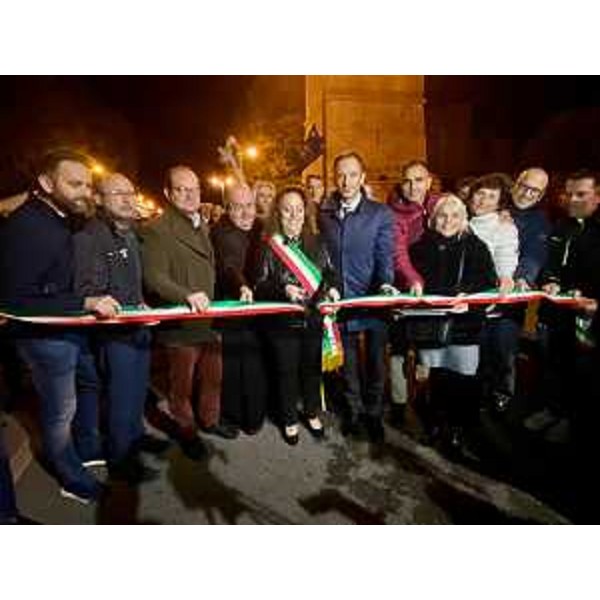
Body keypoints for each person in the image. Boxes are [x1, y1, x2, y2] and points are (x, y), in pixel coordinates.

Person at [0, 149, 119, 504]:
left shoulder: (58, 214)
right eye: (75, 184)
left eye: (88, 184)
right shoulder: (28, 226)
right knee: (59, 413)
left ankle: (87, 447)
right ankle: (71, 477)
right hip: (43, 338)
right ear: (46, 183)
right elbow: (14, 300)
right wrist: (87, 302)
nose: (85, 192)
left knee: (88, 382)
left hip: (67, 329)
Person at [73, 172, 167, 484]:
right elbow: (87, 291)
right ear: (99, 199)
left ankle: (136, 438)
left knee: (137, 392)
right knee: (121, 397)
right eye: (118, 194)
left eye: (130, 192)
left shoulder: (128, 232)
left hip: (137, 327)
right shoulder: (90, 237)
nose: (128, 199)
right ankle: (121, 459)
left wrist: (140, 303)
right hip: (114, 334)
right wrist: (118, 306)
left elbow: (132, 282)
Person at [140, 166, 231, 462]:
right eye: (182, 189)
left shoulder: (201, 224)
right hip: (181, 325)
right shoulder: (156, 229)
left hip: (209, 319)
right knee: (181, 387)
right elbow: (154, 277)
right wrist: (186, 295)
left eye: (195, 189)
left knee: (213, 378)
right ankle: (188, 432)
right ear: (168, 193)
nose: (191, 195)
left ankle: (210, 420)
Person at [409, 194, 497, 453]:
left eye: (455, 215)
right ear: (433, 219)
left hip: (465, 327)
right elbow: (411, 282)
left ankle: (458, 428)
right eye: (443, 215)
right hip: (432, 327)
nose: (448, 221)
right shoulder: (420, 247)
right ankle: (436, 424)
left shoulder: (476, 247)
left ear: (464, 219)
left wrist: (469, 297)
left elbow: (488, 283)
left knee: (464, 380)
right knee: (436, 378)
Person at [320, 151, 395, 444]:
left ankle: (373, 414)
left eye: (352, 174)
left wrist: (385, 284)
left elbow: (384, 255)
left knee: (375, 363)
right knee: (348, 363)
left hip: (372, 301)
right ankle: (352, 412)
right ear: (334, 177)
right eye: (340, 174)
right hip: (340, 301)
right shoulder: (324, 213)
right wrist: (328, 288)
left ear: (362, 177)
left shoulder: (380, 213)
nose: (346, 181)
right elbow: (322, 258)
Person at [255, 186, 340, 444]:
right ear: (278, 214)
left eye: (298, 209)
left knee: (311, 369)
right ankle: (289, 418)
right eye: (287, 210)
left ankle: (311, 412)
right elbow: (259, 285)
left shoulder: (317, 241)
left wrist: (333, 289)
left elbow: (330, 273)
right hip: (282, 325)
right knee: (286, 372)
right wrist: (283, 289)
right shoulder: (268, 245)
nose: (294, 215)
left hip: (313, 319)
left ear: (306, 212)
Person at [533, 170, 600, 442]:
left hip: (589, 317)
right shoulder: (561, 226)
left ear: (597, 196)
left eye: (581, 194)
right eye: (569, 194)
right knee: (553, 362)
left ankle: (573, 421)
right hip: (556, 312)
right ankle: (553, 410)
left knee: (583, 371)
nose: (572, 199)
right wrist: (549, 280)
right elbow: (549, 263)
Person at [211, 184, 267, 436]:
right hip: (232, 308)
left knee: (256, 363)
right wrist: (241, 286)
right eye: (237, 207)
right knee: (233, 366)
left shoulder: (261, 227)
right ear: (227, 208)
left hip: (259, 309)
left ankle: (254, 416)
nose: (245, 213)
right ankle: (232, 416)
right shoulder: (220, 232)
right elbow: (228, 265)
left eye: (249, 206)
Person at [387, 160, 439, 426]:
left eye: (419, 180)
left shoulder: (442, 205)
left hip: (433, 295)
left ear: (428, 181)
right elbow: (398, 253)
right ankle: (398, 403)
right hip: (403, 290)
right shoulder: (392, 212)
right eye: (407, 180)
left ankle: (421, 399)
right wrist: (413, 280)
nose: (413, 186)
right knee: (398, 350)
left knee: (426, 353)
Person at [467, 174, 520, 412]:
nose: (483, 200)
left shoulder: (504, 226)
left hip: (496, 304)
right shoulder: (463, 222)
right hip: (468, 304)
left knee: (499, 354)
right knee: (475, 356)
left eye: (491, 197)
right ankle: (477, 398)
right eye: (480, 193)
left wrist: (506, 277)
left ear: (499, 203)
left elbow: (506, 257)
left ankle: (501, 396)